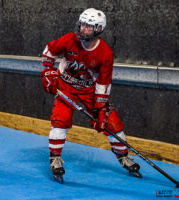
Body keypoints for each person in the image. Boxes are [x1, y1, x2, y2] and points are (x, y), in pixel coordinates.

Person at [40, 8, 141, 179]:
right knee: (60, 119)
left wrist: (100, 109)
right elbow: (49, 52)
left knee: (112, 122)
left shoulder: (105, 53)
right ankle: (55, 158)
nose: (84, 29)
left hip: (89, 91)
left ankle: (124, 157)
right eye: (83, 25)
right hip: (66, 88)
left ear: (99, 29)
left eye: (89, 27)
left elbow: (103, 83)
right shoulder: (69, 39)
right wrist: (48, 72)